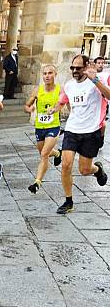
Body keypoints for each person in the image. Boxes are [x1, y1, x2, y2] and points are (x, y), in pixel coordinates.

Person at [52, 54, 109, 214]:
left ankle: (97, 170)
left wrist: (95, 80)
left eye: (78, 68)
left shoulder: (96, 82)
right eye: (72, 68)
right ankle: (68, 201)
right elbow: (62, 101)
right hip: (72, 130)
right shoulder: (69, 85)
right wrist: (54, 109)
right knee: (66, 165)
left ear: (86, 67)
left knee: (84, 170)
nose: (75, 71)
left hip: (91, 132)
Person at [23, 64, 63, 194]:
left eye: (50, 73)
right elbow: (26, 106)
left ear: (55, 74)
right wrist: (30, 109)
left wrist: (55, 109)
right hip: (39, 127)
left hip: (53, 126)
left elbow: (62, 104)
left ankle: (37, 182)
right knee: (43, 151)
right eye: (45, 73)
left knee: (44, 154)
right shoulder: (37, 91)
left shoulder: (59, 90)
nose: (47, 76)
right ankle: (57, 153)